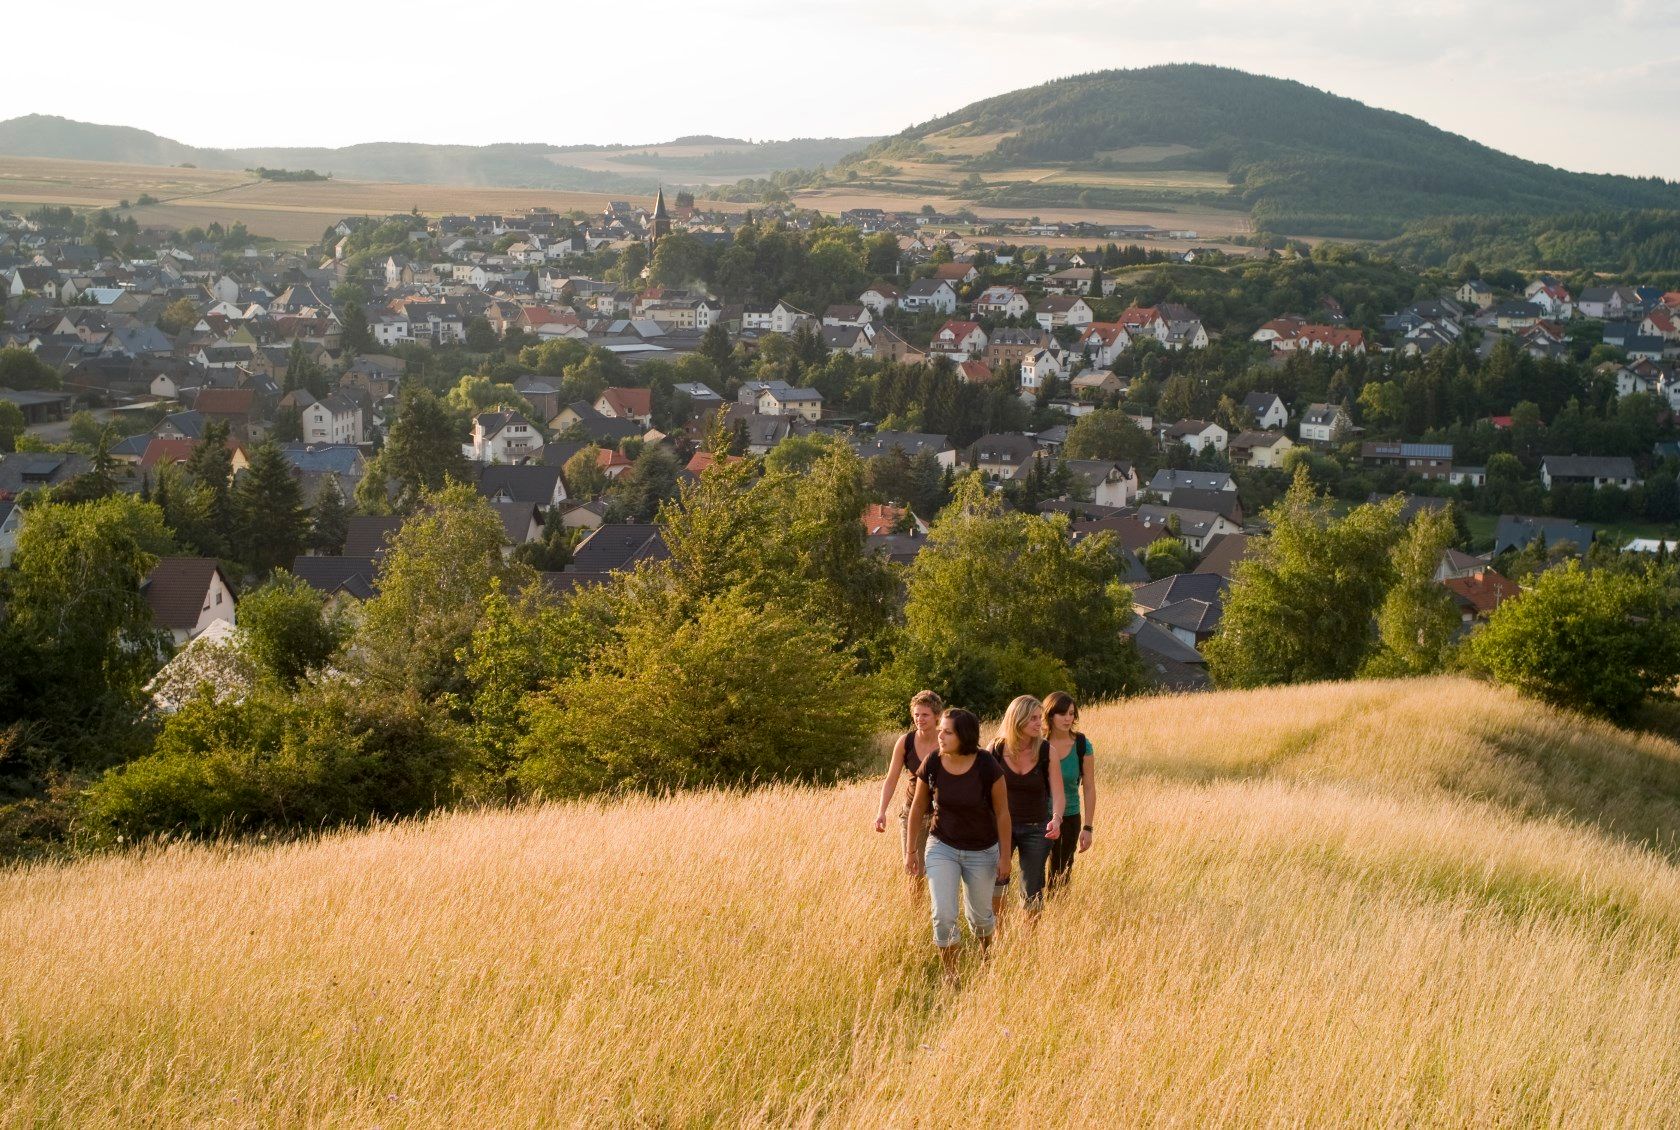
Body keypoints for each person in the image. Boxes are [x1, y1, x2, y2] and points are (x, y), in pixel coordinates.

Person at [905, 708, 1010, 979]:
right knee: (943, 915)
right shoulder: (933, 761)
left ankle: (987, 958)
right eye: (940, 730)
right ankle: (951, 975)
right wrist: (911, 851)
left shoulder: (986, 765)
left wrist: (1005, 857)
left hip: (982, 850)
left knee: (981, 918)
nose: (940, 735)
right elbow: (918, 807)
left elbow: (1002, 813)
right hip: (942, 846)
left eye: (947, 732)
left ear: (964, 735)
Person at [990, 695, 1064, 916]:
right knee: (997, 880)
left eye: (1039, 718)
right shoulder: (995, 749)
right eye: (1033, 718)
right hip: (1001, 827)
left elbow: (1058, 794)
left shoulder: (1047, 751)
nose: (1039, 723)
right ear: (1017, 719)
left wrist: (1057, 819)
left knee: (1032, 887)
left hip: (1037, 828)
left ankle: (1029, 935)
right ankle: (999, 931)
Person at [1043, 691, 1096, 890]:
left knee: (1060, 876)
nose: (1068, 719)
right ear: (1050, 715)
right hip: (1038, 817)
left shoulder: (1082, 745)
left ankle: (1058, 908)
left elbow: (1089, 787)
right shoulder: (1037, 744)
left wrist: (1088, 828)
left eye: (1071, 713)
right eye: (1062, 713)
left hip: (1069, 817)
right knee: (1033, 874)